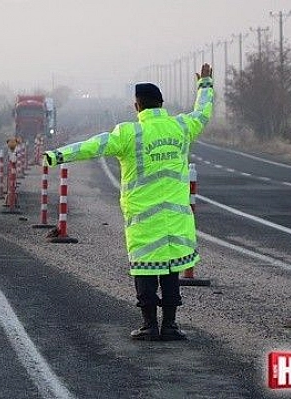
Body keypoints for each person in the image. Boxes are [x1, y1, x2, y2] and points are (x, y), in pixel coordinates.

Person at [43, 63, 213, 341]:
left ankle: (149, 325)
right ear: (162, 104)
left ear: (138, 107)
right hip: (176, 219)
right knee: (171, 270)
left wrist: (57, 155)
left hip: (144, 220)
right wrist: (205, 85)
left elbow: (92, 146)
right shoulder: (181, 126)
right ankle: (170, 326)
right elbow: (202, 113)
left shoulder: (128, 134)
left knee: (145, 271)